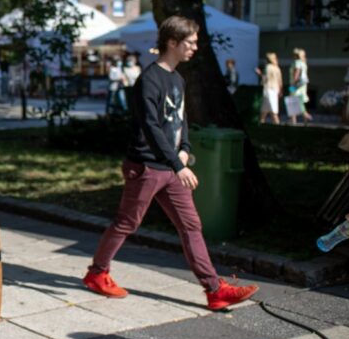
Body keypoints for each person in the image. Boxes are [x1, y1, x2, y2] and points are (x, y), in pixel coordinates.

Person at [82, 15, 260, 311]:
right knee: (127, 223)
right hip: (147, 166)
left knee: (191, 225)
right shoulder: (149, 79)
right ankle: (97, 273)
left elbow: (180, 119)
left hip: (169, 166)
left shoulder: (178, 79)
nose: (194, 47)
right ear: (172, 42)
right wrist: (177, 165)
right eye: (190, 42)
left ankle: (214, 290)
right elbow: (150, 126)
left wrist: (185, 148)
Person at [256, 52, 282, 125]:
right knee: (265, 110)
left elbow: (265, 79)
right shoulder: (277, 68)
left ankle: (277, 125)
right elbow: (280, 81)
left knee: (272, 111)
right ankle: (261, 123)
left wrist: (259, 73)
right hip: (275, 90)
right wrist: (280, 91)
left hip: (268, 90)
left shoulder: (268, 67)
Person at [288, 47, 313, 124]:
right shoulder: (303, 63)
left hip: (296, 85)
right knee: (297, 101)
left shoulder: (297, 62)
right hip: (301, 85)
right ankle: (295, 120)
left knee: (293, 101)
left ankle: (305, 116)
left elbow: (296, 74)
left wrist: (292, 85)